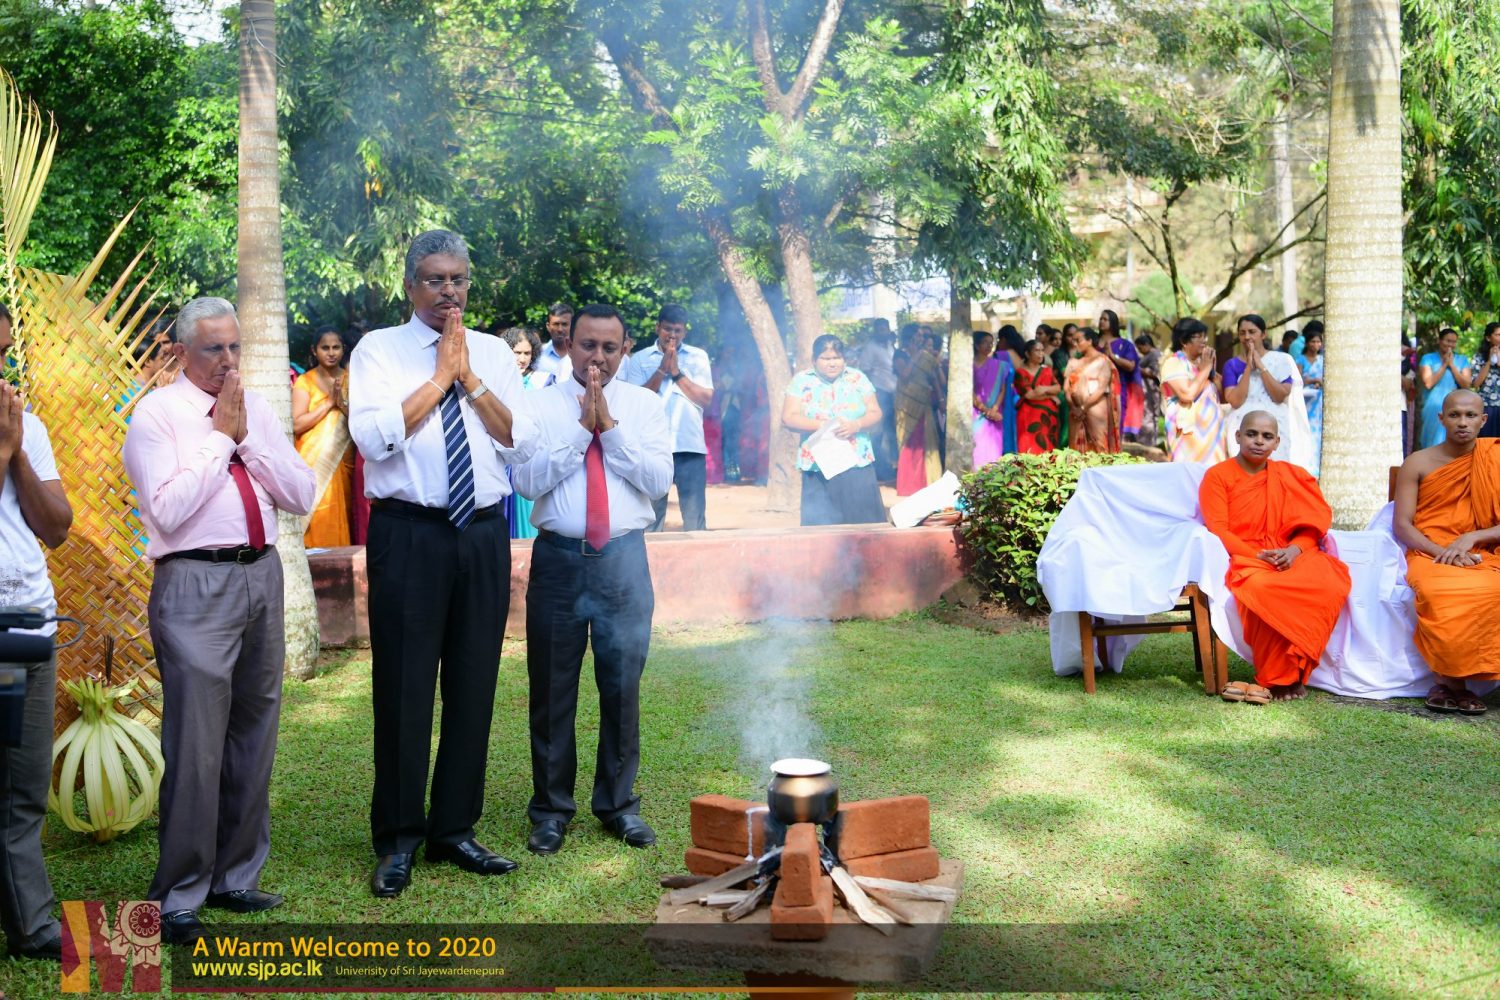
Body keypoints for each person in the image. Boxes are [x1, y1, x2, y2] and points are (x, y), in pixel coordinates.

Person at [122, 297, 316, 944]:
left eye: (235, 346)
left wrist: (248, 439)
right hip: (194, 582)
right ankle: (179, 894)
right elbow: (167, 509)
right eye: (214, 349)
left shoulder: (255, 408)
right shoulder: (157, 415)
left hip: (262, 574)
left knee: (254, 732)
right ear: (180, 352)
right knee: (196, 744)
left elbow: (301, 494)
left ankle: (235, 877)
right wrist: (220, 439)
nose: (229, 360)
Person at [349, 231, 533, 899]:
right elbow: (372, 439)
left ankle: (454, 828)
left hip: (481, 533)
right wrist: (439, 379)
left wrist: (471, 379)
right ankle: (400, 838)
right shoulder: (378, 350)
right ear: (410, 286)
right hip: (410, 533)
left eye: (458, 278)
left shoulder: (492, 353)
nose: (448, 290)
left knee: (474, 682)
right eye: (434, 279)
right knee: (404, 687)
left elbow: (519, 439)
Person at [512, 304, 672, 856]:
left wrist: (612, 430)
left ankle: (618, 805)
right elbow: (526, 482)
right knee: (552, 691)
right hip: (559, 562)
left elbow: (658, 480)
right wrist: (583, 431)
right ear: (569, 345)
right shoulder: (538, 405)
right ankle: (551, 810)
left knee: (622, 689)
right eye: (587, 345)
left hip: (623, 563)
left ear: (625, 348)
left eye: (609, 347)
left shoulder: (645, 406)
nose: (596, 357)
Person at [0, 342, 73, 962]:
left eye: (3, 354)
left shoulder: (28, 428)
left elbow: (55, 527)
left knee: (22, 788)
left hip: (23, 622)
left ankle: (31, 925)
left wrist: (18, 451)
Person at [1199, 411, 1352, 703]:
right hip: (1246, 557)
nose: (1259, 441)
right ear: (1238, 436)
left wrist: (1294, 551)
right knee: (1262, 588)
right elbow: (1218, 529)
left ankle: (1297, 668)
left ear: (1277, 442)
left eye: (1267, 436)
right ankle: (1280, 678)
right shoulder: (1217, 476)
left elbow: (1310, 527)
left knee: (1330, 582)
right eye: (1252, 434)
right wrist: (1258, 556)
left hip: (1292, 553)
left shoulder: (1292, 476)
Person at [1392, 389, 1500, 715]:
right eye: (1455, 415)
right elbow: (1402, 525)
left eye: (1470, 416)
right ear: (1441, 419)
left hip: (1484, 552)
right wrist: (1443, 551)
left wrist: (1473, 537)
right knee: (1440, 592)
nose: (1462, 422)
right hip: (1430, 553)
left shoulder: (1494, 458)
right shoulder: (1418, 462)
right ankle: (1452, 683)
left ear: (1483, 420)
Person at [781, 334, 886, 525]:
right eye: (826, 358)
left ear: (844, 359)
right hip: (818, 465)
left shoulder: (857, 378)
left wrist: (856, 425)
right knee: (823, 527)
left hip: (856, 463)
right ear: (814, 360)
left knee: (863, 524)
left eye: (837, 358)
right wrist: (823, 426)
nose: (832, 363)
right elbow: (789, 417)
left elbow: (875, 412)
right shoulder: (801, 381)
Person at [625, 304, 713, 532]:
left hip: (689, 446)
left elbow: (706, 399)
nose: (672, 336)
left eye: (677, 330)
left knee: (695, 521)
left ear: (685, 332)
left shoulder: (698, 357)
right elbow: (635, 404)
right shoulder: (640, 359)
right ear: (657, 328)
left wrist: (676, 372)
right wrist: (662, 370)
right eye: (667, 329)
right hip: (652, 448)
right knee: (650, 521)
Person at [1223, 314, 1314, 471]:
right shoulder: (1232, 365)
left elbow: (1279, 395)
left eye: (1252, 332)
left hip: (1275, 425)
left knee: (1276, 472)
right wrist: (1248, 368)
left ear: (1263, 334)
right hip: (1243, 426)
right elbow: (1235, 401)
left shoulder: (1282, 360)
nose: (1247, 337)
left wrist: (1261, 366)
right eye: (1242, 333)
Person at [292, 329, 354, 547]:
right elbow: (297, 424)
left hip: (344, 460)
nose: (331, 352)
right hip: (313, 462)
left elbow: (361, 421)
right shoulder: (305, 381)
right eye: (325, 347)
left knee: (342, 511)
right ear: (314, 350)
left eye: (336, 347)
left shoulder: (352, 379)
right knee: (316, 515)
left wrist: (342, 405)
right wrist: (328, 404)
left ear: (343, 349)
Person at [1161, 317, 1229, 464]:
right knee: (1187, 474)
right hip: (1188, 436)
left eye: (1204, 336)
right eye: (1198, 337)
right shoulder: (1173, 363)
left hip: (1213, 434)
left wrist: (1211, 372)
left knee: (1213, 475)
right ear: (1184, 341)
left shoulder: (1204, 364)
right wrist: (1205, 369)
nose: (1204, 341)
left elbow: (1223, 397)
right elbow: (1187, 394)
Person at [501, 326, 548, 539]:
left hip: (532, 460)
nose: (522, 359)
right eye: (517, 352)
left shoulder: (543, 382)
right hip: (503, 461)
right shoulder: (496, 381)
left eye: (527, 353)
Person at [895, 324, 944, 494]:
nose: (921, 338)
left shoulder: (926, 356)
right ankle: (909, 485)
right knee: (909, 441)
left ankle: (928, 482)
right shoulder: (900, 354)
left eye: (922, 336)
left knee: (925, 440)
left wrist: (941, 399)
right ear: (909, 336)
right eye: (918, 335)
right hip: (906, 405)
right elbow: (904, 375)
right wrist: (916, 356)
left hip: (924, 403)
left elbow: (937, 380)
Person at [1063, 327, 1120, 453]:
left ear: (1089, 341)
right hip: (1074, 410)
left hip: (1095, 408)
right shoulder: (1073, 362)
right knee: (1075, 449)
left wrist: (1083, 408)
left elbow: (1101, 388)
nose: (1074, 344)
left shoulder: (1102, 361)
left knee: (1099, 446)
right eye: (1073, 341)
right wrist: (1074, 407)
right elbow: (1066, 388)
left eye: (1078, 340)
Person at [1417, 328, 1472, 448]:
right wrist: (1444, 365)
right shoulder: (1428, 358)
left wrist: (1452, 365)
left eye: (1454, 342)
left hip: (1455, 407)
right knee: (1431, 442)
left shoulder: (1462, 360)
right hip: (1432, 407)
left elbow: (1466, 385)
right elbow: (1428, 383)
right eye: (1448, 341)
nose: (1450, 345)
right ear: (1440, 340)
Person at [1101, 309, 1143, 442]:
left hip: (1117, 389)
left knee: (1115, 424)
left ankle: (1115, 452)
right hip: (1094, 390)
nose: (1102, 321)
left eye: (1105, 319)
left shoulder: (1125, 345)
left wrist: (1112, 357)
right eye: (1101, 319)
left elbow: (1131, 365)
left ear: (1113, 322)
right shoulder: (1093, 343)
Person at [971, 331, 1011, 467]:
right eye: (985, 342)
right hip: (975, 413)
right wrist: (984, 409)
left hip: (994, 414)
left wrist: (994, 408)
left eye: (991, 343)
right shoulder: (968, 366)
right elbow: (969, 390)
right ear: (977, 345)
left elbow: (1002, 389)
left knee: (993, 451)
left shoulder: (999, 365)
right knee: (976, 450)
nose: (989, 346)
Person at [1015, 339, 1061, 453]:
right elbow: (1030, 395)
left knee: (1049, 448)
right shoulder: (1020, 372)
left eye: (1042, 350)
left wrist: (1044, 389)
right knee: (1029, 448)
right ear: (1027, 354)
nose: (1041, 354)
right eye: (1037, 350)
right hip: (1029, 414)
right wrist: (1050, 396)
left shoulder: (1047, 370)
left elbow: (1058, 388)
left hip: (1048, 415)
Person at [1296, 329, 1325, 473]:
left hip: (1319, 401)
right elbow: (1298, 379)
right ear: (1307, 343)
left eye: (1318, 342)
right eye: (1313, 341)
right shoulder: (1300, 359)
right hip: (1305, 399)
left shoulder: (1322, 360)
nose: (1316, 344)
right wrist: (1313, 380)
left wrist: (1320, 383)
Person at [1470, 321, 1500, 438]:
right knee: (1485, 440)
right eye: (1498, 335)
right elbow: (1476, 384)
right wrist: (1489, 361)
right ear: (1488, 338)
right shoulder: (1479, 357)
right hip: (1486, 405)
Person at [1134, 333, 1162, 448]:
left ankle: (1148, 442)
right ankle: (1149, 441)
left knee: (1150, 415)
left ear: (1146, 344)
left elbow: (1154, 373)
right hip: (1148, 390)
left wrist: (1136, 368)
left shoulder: (1154, 354)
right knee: (1149, 415)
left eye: (1140, 348)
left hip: (1152, 390)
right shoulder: (1150, 354)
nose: (1140, 351)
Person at [534, 302, 573, 380]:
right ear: (548, 326)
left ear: (573, 326)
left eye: (564, 324)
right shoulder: (537, 355)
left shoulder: (582, 355)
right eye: (556, 324)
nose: (560, 329)